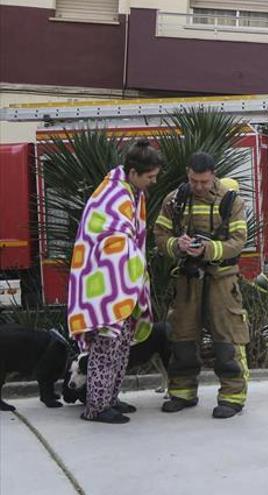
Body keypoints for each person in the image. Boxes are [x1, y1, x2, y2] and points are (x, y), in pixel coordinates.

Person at [66, 139, 164, 424]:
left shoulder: (131, 193)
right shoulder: (112, 195)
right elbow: (110, 240)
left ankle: (109, 398)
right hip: (106, 284)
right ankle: (96, 407)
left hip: (121, 284)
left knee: (121, 346)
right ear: (133, 172)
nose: (154, 181)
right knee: (106, 347)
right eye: (150, 176)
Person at [154, 152, 250, 419]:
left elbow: (239, 241)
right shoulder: (175, 200)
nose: (198, 186)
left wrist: (207, 249)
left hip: (222, 279)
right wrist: (178, 245)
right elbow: (160, 235)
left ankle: (232, 397)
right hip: (187, 279)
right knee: (182, 338)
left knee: (227, 339)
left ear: (213, 175)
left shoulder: (232, 201)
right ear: (187, 173)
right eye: (194, 180)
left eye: (204, 181)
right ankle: (182, 393)